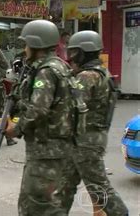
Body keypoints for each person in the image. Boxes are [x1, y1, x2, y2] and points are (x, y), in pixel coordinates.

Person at [5, 20, 81, 215]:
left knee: (33, 206)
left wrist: (16, 129)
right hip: (58, 149)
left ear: (36, 44)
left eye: (26, 44)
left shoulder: (46, 71)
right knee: (51, 205)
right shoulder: (60, 66)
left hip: (46, 152)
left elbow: (38, 109)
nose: (25, 49)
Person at [62, 30, 128, 215]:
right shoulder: (101, 73)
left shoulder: (87, 76)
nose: (71, 57)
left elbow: (70, 106)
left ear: (83, 53)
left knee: (99, 188)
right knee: (66, 185)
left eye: (74, 53)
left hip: (86, 140)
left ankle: (120, 213)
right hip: (90, 138)